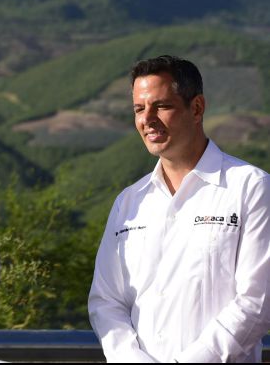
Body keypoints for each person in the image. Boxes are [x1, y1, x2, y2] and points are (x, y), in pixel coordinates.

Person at [88, 55, 270, 362]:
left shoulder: (251, 188)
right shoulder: (129, 202)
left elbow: (257, 301)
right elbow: (106, 301)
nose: (147, 118)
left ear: (196, 108)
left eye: (161, 106)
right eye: (138, 108)